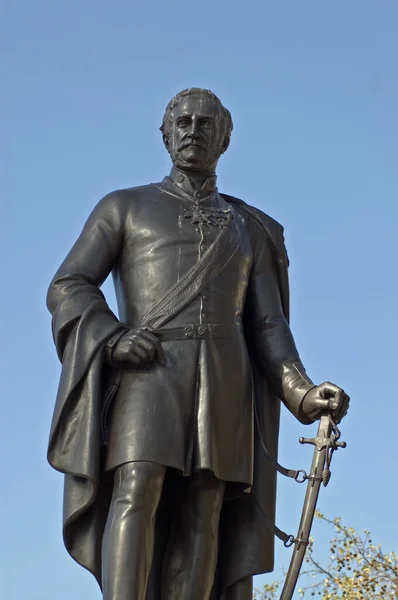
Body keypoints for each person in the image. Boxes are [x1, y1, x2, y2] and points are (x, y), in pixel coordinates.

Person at [47, 88, 349, 600]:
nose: (193, 131)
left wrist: (301, 392)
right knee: (136, 485)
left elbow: (268, 325)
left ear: (225, 139)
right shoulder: (123, 206)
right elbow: (69, 285)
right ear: (165, 135)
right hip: (149, 372)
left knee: (205, 506)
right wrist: (115, 339)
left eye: (206, 124)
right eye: (182, 122)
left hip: (225, 378)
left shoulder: (251, 228)